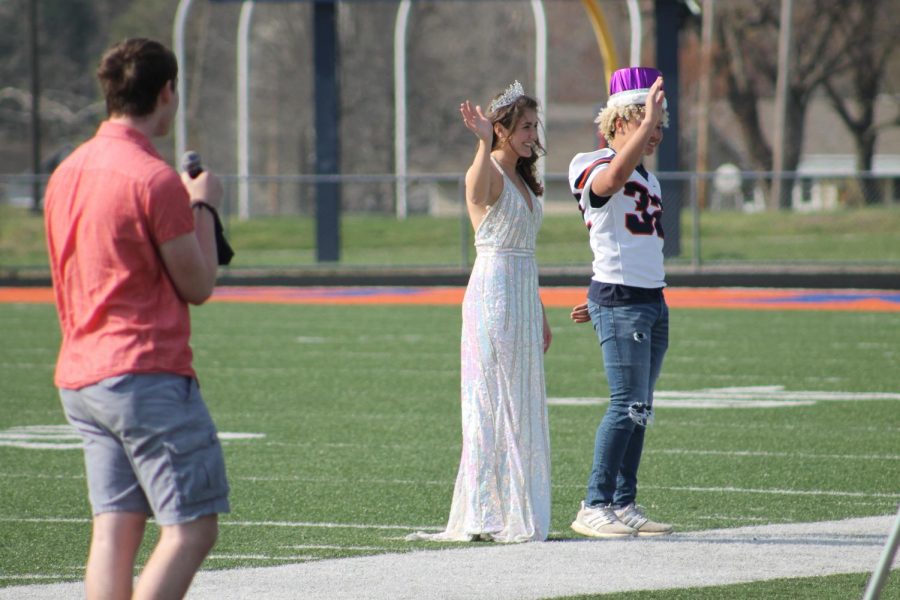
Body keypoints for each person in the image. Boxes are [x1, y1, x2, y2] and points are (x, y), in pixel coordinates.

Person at [44, 38, 230, 599]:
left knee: (116, 528)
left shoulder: (66, 171)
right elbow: (197, 284)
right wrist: (205, 205)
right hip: (144, 372)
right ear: (166, 92)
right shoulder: (153, 178)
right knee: (193, 527)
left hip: (81, 375)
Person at [409, 81, 552, 543]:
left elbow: (527, 252)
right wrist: (481, 142)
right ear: (504, 131)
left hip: (522, 292)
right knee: (489, 401)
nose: (533, 133)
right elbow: (474, 192)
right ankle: (484, 513)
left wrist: (540, 310)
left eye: (535, 125)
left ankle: (512, 507)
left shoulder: (525, 179)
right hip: (492, 292)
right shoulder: (491, 166)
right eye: (525, 126)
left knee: (520, 402)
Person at [566, 67, 674, 538]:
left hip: (648, 300)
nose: (654, 129)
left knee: (642, 407)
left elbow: (629, 247)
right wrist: (604, 299)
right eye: (643, 118)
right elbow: (609, 182)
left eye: (658, 120)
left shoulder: (649, 178)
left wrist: (596, 297)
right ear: (616, 121)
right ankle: (594, 503)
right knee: (625, 403)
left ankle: (623, 502)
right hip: (622, 302)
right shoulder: (588, 162)